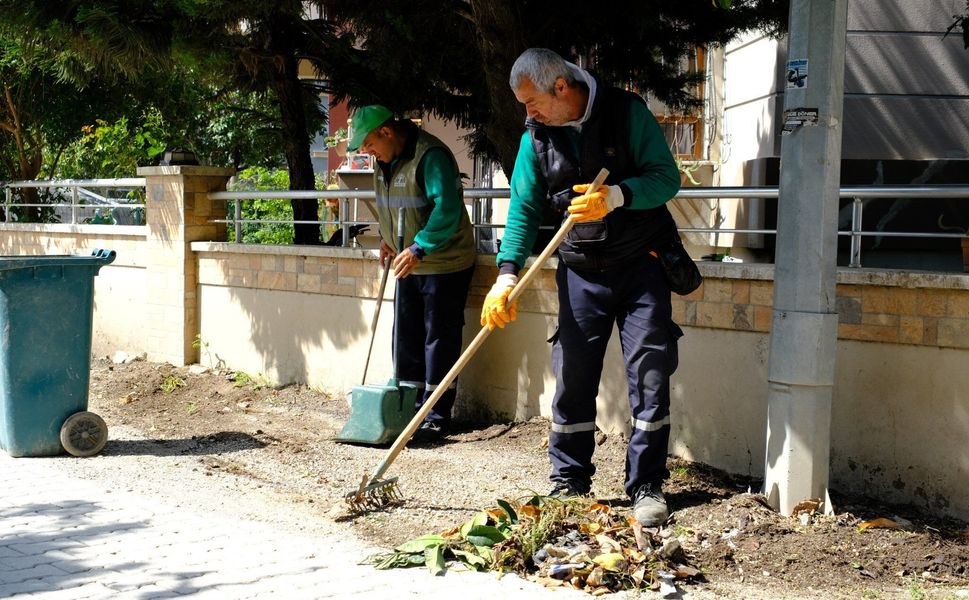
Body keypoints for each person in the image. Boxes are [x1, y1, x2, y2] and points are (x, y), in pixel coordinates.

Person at [479, 49, 683, 526]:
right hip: (579, 271)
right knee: (571, 375)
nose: (527, 113)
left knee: (650, 373)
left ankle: (647, 485)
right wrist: (506, 275)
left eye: (532, 102)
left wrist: (616, 196)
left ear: (562, 88)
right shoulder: (536, 138)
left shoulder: (625, 113)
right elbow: (524, 209)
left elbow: (665, 178)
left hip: (641, 266)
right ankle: (568, 482)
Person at [347, 105, 476, 443]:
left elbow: (446, 209)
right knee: (405, 336)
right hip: (408, 258)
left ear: (387, 132)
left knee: (438, 338)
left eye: (369, 143)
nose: (366, 151)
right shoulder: (383, 162)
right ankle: (406, 407)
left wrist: (419, 247)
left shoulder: (430, 156)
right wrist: (389, 240)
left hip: (443, 261)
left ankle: (434, 415)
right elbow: (394, 206)